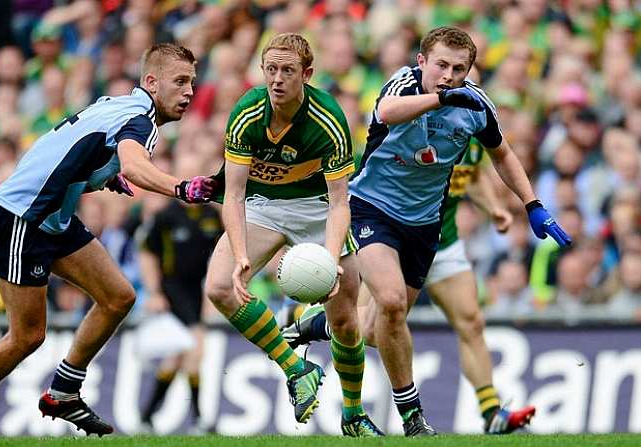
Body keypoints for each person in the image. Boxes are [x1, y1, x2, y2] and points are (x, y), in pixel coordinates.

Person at [286, 26, 570, 437]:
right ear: (421, 62)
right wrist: (439, 98)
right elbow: (385, 111)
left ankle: (319, 324)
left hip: (425, 224)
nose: (448, 74)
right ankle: (413, 417)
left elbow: (502, 154)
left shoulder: (475, 105)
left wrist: (533, 206)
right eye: (440, 65)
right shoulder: (403, 85)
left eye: (458, 69)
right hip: (370, 209)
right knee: (392, 301)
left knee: (372, 329)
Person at [0, 43, 218, 439]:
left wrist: (104, 174)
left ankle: (64, 392)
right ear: (152, 83)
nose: (189, 91)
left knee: (119, 296)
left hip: (52, 217)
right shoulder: (141, 120)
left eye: (191, 81)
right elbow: (137, 164)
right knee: (28, 335)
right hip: (23, 217)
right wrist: (181, 187)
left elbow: (73, 149)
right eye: (180, 81)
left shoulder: (116, 104)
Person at [284, 139, 540, 434]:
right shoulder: (404, 130)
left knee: (471, 321)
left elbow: (472, 174)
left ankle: (491, 411)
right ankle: (317, 323)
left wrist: (494, 207)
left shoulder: (469, 131)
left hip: (445, 243)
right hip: (398, 242)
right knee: (368, 330)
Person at [204, 33, 382, 437]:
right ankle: (297, 368)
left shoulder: (329, 118)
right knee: (219, 286)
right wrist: (241, 255)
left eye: (287, 71)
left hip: (319, 209)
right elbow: (233, 195)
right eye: (270, 70)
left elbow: (340, 202)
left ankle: (353, 415)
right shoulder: (247, 113)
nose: (277, 79)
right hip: (264, 205)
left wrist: (332, 259)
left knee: (345, 320)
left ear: (307, 74)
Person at [137, 154, 223, 434]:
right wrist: (154, 292)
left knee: (176, 356)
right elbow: (147, 254)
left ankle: (147, 416)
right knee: (195, 349)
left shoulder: (211, 216)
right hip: (172, 290)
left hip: (196, 290)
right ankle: (199, 419)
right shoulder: (166, 216)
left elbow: (221, 254)